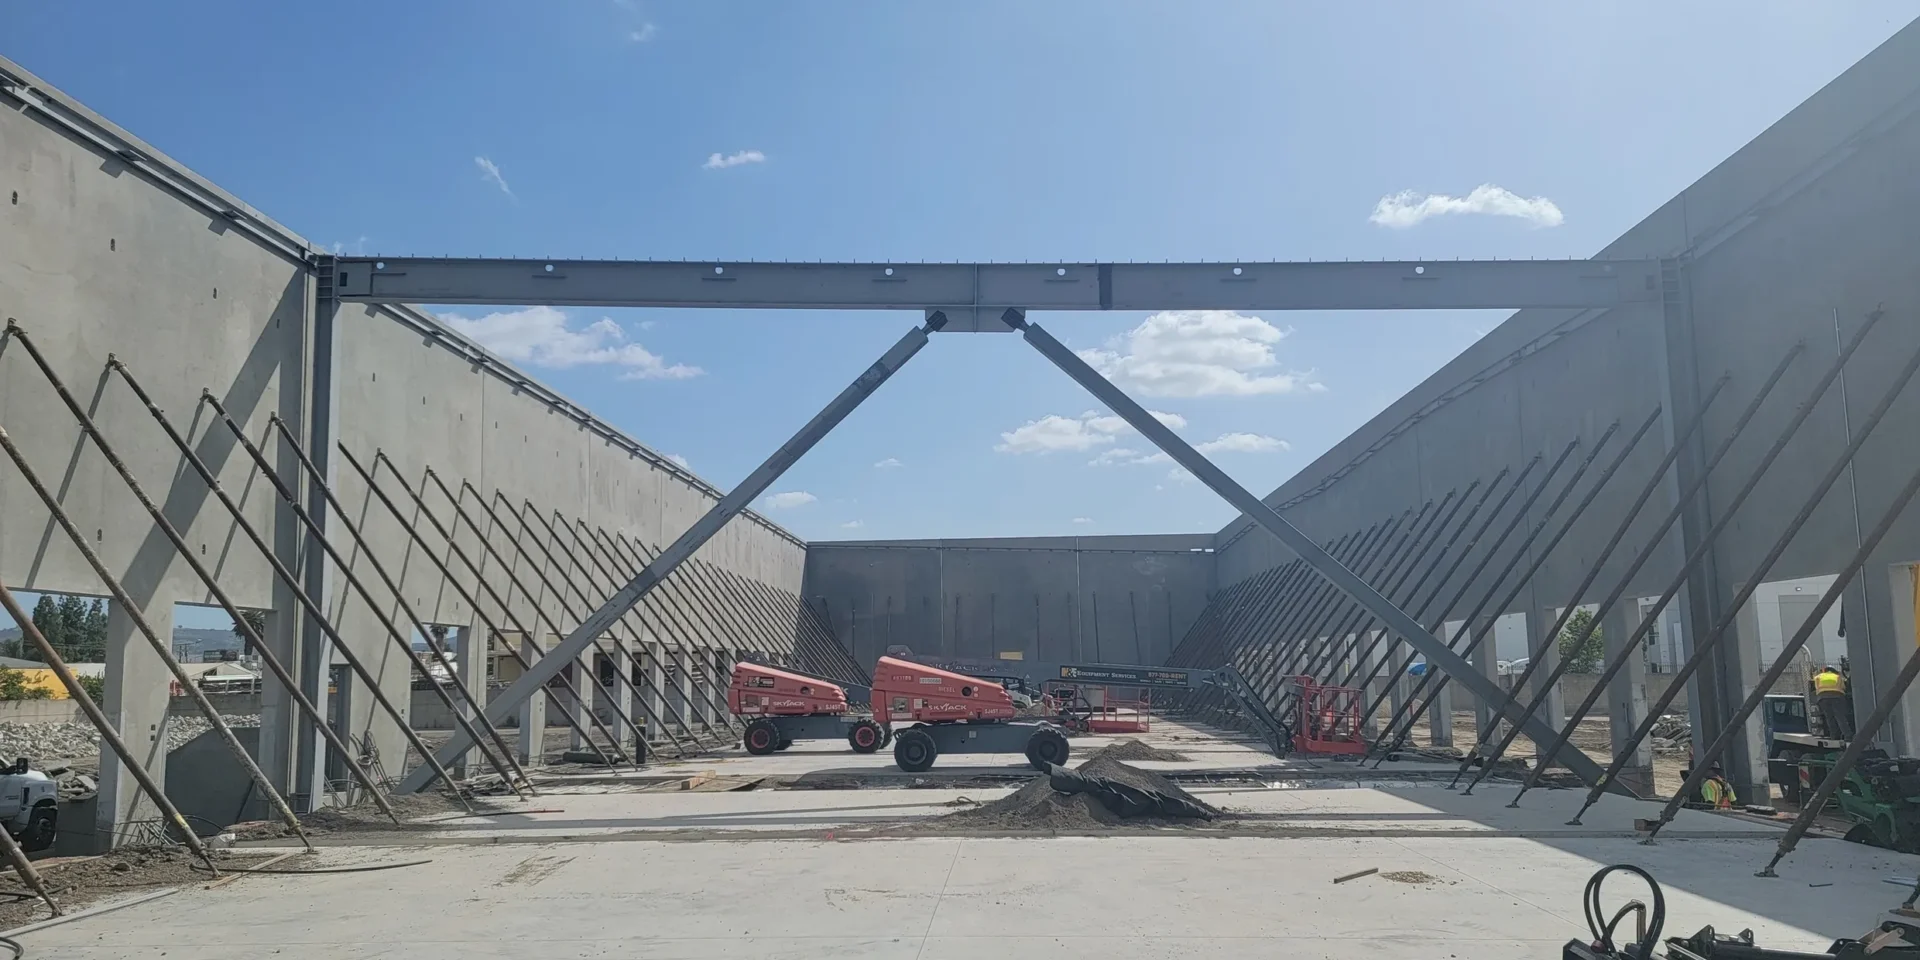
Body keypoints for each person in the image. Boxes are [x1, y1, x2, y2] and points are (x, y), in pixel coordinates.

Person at [1813, 664, 1854, 739]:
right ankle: (1847, 735)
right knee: (1840, 717)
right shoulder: (1838, 677)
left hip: (1823, 698)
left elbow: (1816, 687)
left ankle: (1833, 736)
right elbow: (1843, 687)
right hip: (1837, 697)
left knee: (1829, 718)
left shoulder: (1818, 677)